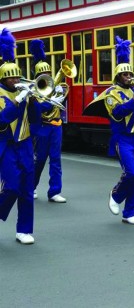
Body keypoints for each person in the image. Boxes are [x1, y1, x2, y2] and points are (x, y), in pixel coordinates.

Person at [83, 36, 134, 225]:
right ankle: (115, 194)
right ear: (118, 77)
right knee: (131, 173)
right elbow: (119, 113)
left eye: (131, 74)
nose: (130, 77)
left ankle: (129, 212)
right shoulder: (111, 93)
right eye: (126, 75)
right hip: (122, 138)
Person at [0, 27, 41, 244]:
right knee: (12, 186)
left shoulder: (23, 92)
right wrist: (18, 99)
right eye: (12, 78)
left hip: (25, 143)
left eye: (17, 76)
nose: (16, 81)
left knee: (26, 188)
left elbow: (36, 120)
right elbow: (2, 119)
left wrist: (33, 100)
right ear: (4, 79)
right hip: (6, 144)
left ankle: (24, 229)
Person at [29, 39, 68, 203]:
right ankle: (31, 186)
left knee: (56, 159)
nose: (47, 77)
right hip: (43, 127)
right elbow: (39, 110)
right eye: (43, 75)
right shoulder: (33, 89)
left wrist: (61, 95)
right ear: (38, 76)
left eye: (49, 74)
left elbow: (62, 105)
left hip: (56, 126)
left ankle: (54, 191)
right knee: (40, 159)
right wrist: (51, 99)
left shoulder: (54, 85)